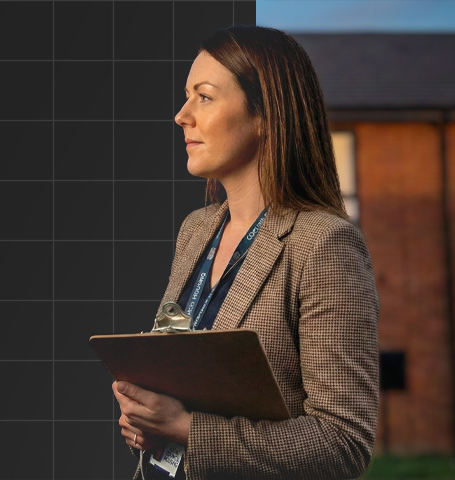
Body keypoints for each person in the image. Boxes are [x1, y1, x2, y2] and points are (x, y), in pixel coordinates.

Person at [111, 25, 380, 480]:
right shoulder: (196, 230)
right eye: (186, 97)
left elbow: (342, 444)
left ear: (266, 114)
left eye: (204, 97)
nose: (181, 115)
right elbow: (181, 374)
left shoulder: (324, 245)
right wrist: (147, 417)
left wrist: (185, 429)